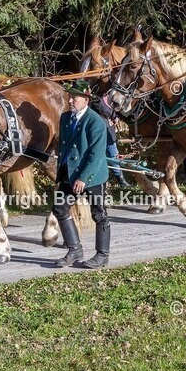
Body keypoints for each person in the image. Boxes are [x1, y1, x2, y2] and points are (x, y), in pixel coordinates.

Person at [51, 79, 111, 269]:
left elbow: (96, 154)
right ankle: (75, 249)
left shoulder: (96, 122)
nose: (70, 101)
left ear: (85, 100)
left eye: (74, 98)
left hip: (92, 176)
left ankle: (102, 255)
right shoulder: (66, 118)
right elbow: (65, 147)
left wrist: (83, 178)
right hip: (69, 173)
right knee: (60, 208)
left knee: (99, 215)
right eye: (70, 97)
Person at [93, 91, 131, 189]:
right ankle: (117, 180)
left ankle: (120, 179)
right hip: (102, 129)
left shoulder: (107, 94)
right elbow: (102, 108)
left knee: (113, 154)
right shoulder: (96, 97)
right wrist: (113, 116)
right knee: (110, 154)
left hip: (108, 130)